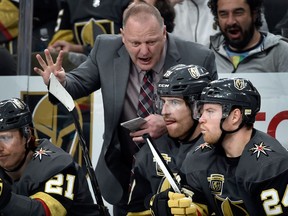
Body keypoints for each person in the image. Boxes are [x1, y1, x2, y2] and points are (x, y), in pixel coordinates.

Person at [34, 2, 217, 215]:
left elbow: (211, 113)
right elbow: (76, 84)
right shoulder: (105, 49)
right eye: (135, 43)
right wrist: (58, 83)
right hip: (125, 175)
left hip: (181, 175)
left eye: (151, 41)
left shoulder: (198, 57)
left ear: (164, 32)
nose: (144, 51)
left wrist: (167, 122)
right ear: (122, 36)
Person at [154, 77, 288, 215]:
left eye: (210, 111)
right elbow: (191, 202)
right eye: (202, 111)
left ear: (235, 116)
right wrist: (168, 206)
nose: (201, 119)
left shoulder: (272, 165)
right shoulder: (198, 157)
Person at [126, 64, 213, 215]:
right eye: (163, 102)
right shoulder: (150, 153)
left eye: (174, 102)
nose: (164, 112)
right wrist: (155, 209)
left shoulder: (222, 151)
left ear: (198, 107)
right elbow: (134, 212)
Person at [0, 98, 101, 215]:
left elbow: (46, 212)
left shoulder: (58, 165)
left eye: (5, 138)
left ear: (27, 135)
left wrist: (4, 198)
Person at [208, 0, 288, 73]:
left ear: (254, 14)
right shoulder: (208, 52)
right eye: (223, 14)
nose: (231, 22)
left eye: (238, 12)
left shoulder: (281, 52)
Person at [48, 0, 131, 55]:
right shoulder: (69, 3)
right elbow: (58, 44)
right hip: (82, 68)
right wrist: (58, 49)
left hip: (118, 65)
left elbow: (131, 43)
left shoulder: (128, 2)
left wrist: (82, 49)